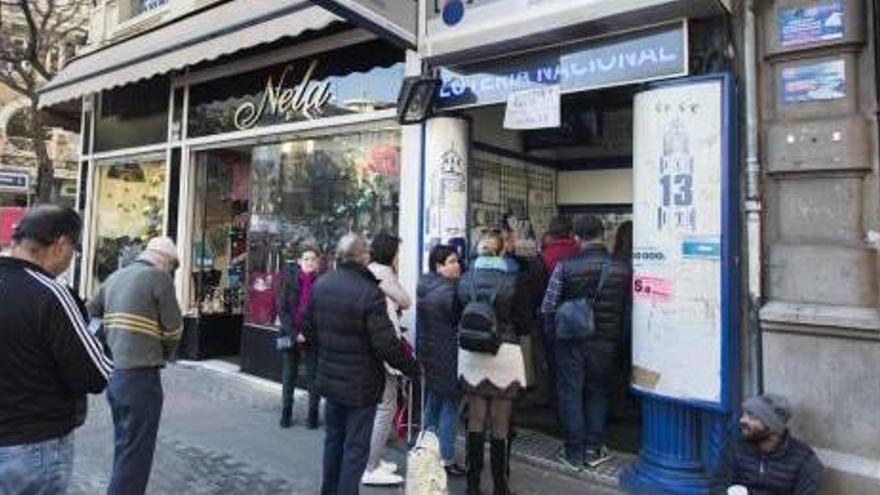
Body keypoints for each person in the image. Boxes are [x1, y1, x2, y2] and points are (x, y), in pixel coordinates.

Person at [0, 205, 112, 495]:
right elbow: (96, 374)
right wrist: (99, 333)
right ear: (61, 245)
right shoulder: (51, 293)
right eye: (73, 250)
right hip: (33, 445)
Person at [305, 233, 419, 495]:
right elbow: (385, 343)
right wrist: (412, 367)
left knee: (333, 442)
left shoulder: (322, 284)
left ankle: (328, 491)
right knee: (355, 449)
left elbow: (309, 331)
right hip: (360, 385)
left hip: (331, 379)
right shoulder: (369, 292)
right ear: (362, 258)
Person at [87, 236, 184, 495]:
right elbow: (174, 328)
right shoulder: (159, 278)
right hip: (142, 376)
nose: (171, 272)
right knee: (137, 453)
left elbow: (91, 313)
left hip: (115, 375)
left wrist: (107, 343)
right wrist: (165, 352)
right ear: (165, 259)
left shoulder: (116, 277)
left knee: (125, 444)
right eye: (173, 266)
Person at [540, 215, 630, 470]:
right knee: (598, 391)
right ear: (603, 235)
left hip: (570, 341)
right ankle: (594, 448)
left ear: (576, 238)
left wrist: (552, 338)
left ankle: (573, 451)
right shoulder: (621, 267)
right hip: (606, 342)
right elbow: (626, 310)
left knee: (571, 393)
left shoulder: (565, 266)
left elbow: (548, 306)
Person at [458, 231, 530, 495]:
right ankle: (500, 485)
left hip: (471, 355)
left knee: (475, 419)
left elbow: (458, 315)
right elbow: (524, 323)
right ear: (502, 252)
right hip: (505, 353)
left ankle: (472, 484)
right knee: (501, 423)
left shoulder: (465, 279)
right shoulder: (514, 280)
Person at [362, 233, 413, 486]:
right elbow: (406, 300)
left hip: (370, 349)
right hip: (384, 350)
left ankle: (375, 458)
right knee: (386, 407)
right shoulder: (383, 273)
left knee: (380, 407)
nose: (399, 257)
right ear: (391, 254)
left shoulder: (369, 270)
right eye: (398, 253)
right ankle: (371, 466)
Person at [417, 244, 465, 476]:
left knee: (433, 402)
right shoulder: (453, 291)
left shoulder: (424, 284)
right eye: (452, 262)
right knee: (449, 406)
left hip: (429, 352)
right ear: (439, 266)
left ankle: (425, 450)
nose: (457, 266)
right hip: (449, 353)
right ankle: (446, 458)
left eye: (457, 261)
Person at [713, 394, 823, 495]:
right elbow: (718, 485)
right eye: (744, 414)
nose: (742, 420)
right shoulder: (736, 449)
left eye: (752, 417)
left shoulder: (804, 460)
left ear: (772, 425)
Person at [277, 246, 322, 429]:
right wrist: (295, 334)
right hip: (289, 334)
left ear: (317, 262)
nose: (309, 262)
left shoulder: (321, 283)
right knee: (289, 374)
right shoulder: (289, 281)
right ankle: (286, 413)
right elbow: (282, 310)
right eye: (306, 259)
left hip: (313, 336)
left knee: (314, 376)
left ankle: (313, 414)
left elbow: (322, 313)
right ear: (299, 261)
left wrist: (306, 334)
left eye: (313, 259)